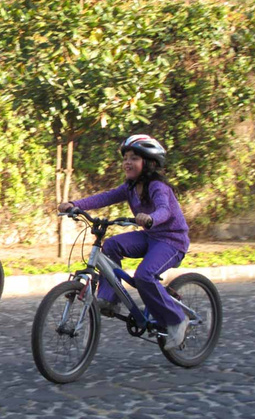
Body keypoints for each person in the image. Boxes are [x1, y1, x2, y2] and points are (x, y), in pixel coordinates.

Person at [58, 134, 190, 350]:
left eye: (134, 158)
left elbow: (164, 210)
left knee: (144, 276)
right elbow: (105, 197)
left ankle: (177, 319)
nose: (128, 162)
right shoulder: (129, 187)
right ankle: (109, 299)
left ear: (148, 163)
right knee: (110, 246)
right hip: (150, 237)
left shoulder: (157, 186)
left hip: (171, 240)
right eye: (126, 157)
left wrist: (151, 218)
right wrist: (75, 204)